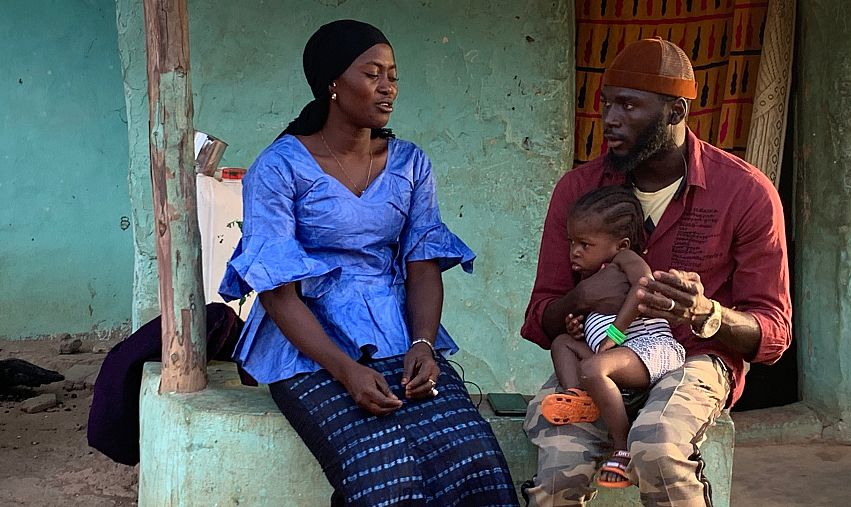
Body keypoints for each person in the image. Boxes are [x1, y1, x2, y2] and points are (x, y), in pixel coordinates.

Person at [219, 20, 518, 506]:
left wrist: (422, 344)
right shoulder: (278, 167)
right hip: (306, 348)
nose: (388, 87)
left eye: (393, 75)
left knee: (476, 460)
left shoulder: (411, 163)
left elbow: (423, 261)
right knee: (385, 475)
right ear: (333, 84)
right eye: (372, 73)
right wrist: (345, 371)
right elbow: (277, 291)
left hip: (397, 332)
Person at [520, 38, 792, 506]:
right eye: (606, 104)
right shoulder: (580, 190)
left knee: (658, 448)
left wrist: (707, 313)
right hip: (601, 358)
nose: (610, 119)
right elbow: (542, 316)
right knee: (560, 469)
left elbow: (772, 334)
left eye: (628, 105)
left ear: (676, 111)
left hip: (694, 356)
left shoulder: (744, 193)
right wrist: (584, 299)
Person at [539, 186, 685, 489]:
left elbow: (644, 286)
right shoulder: (592, 277)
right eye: (572, 243)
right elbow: (593, 328)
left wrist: (614, 333)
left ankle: (622, 449)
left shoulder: (626, 260)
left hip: (649, 348)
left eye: (585, 244)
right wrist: (580, 328)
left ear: (621, 245)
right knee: (562, 344)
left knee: (594, 367)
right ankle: (577, 397)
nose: (574, 251)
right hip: (619, 357)